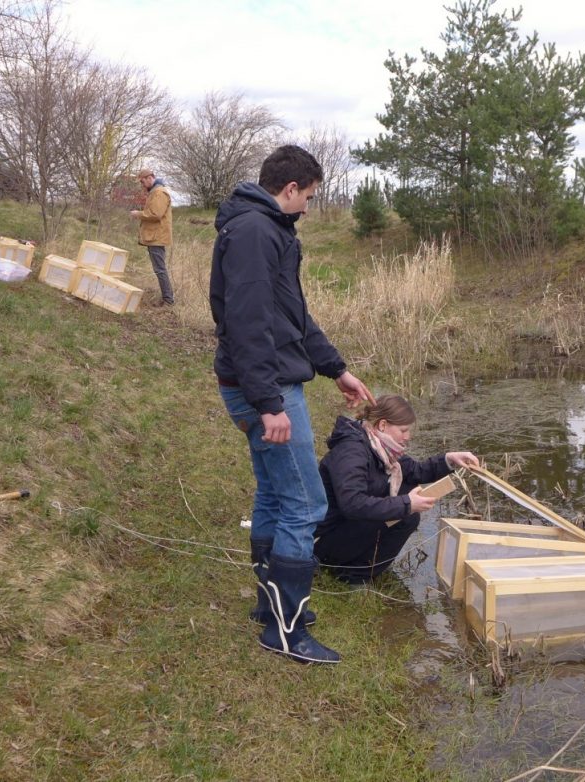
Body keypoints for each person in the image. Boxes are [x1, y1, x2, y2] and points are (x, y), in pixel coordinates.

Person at [210, 145, 374, 665]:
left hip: (265, 383)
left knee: (276, 494)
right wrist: (269, 404)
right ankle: (287, 630)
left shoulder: (265, 229)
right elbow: (248, 325)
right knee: (305, 504)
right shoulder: (258, 233)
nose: (309, 207)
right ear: (290, 190)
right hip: (268, 388)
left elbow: (292, 316)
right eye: (310, 197)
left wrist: (336, 368)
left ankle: (271, 606)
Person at [315, 394, 479, 584]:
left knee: (406, 495)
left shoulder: (381, 448)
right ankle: (349, 574)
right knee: (406, 512)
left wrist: (450, 460)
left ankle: (359, 567)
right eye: (403, 430)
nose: (408, 436)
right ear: (383, 425)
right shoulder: (351, 451)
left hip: (346, 528)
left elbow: (416, 471)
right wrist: (407, 503)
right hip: (323, 538)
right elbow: (352, 503)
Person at [130, 168, 174, 306]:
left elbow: (156, 214)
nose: (142, 185)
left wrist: (138, 214)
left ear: (150, 178)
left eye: (143, 182)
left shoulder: (159, 193)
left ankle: (168, 300)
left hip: (156, 237)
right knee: (159, 269)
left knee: (160, 269)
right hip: (154, 236)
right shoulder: (155, 192)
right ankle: (167, 299)